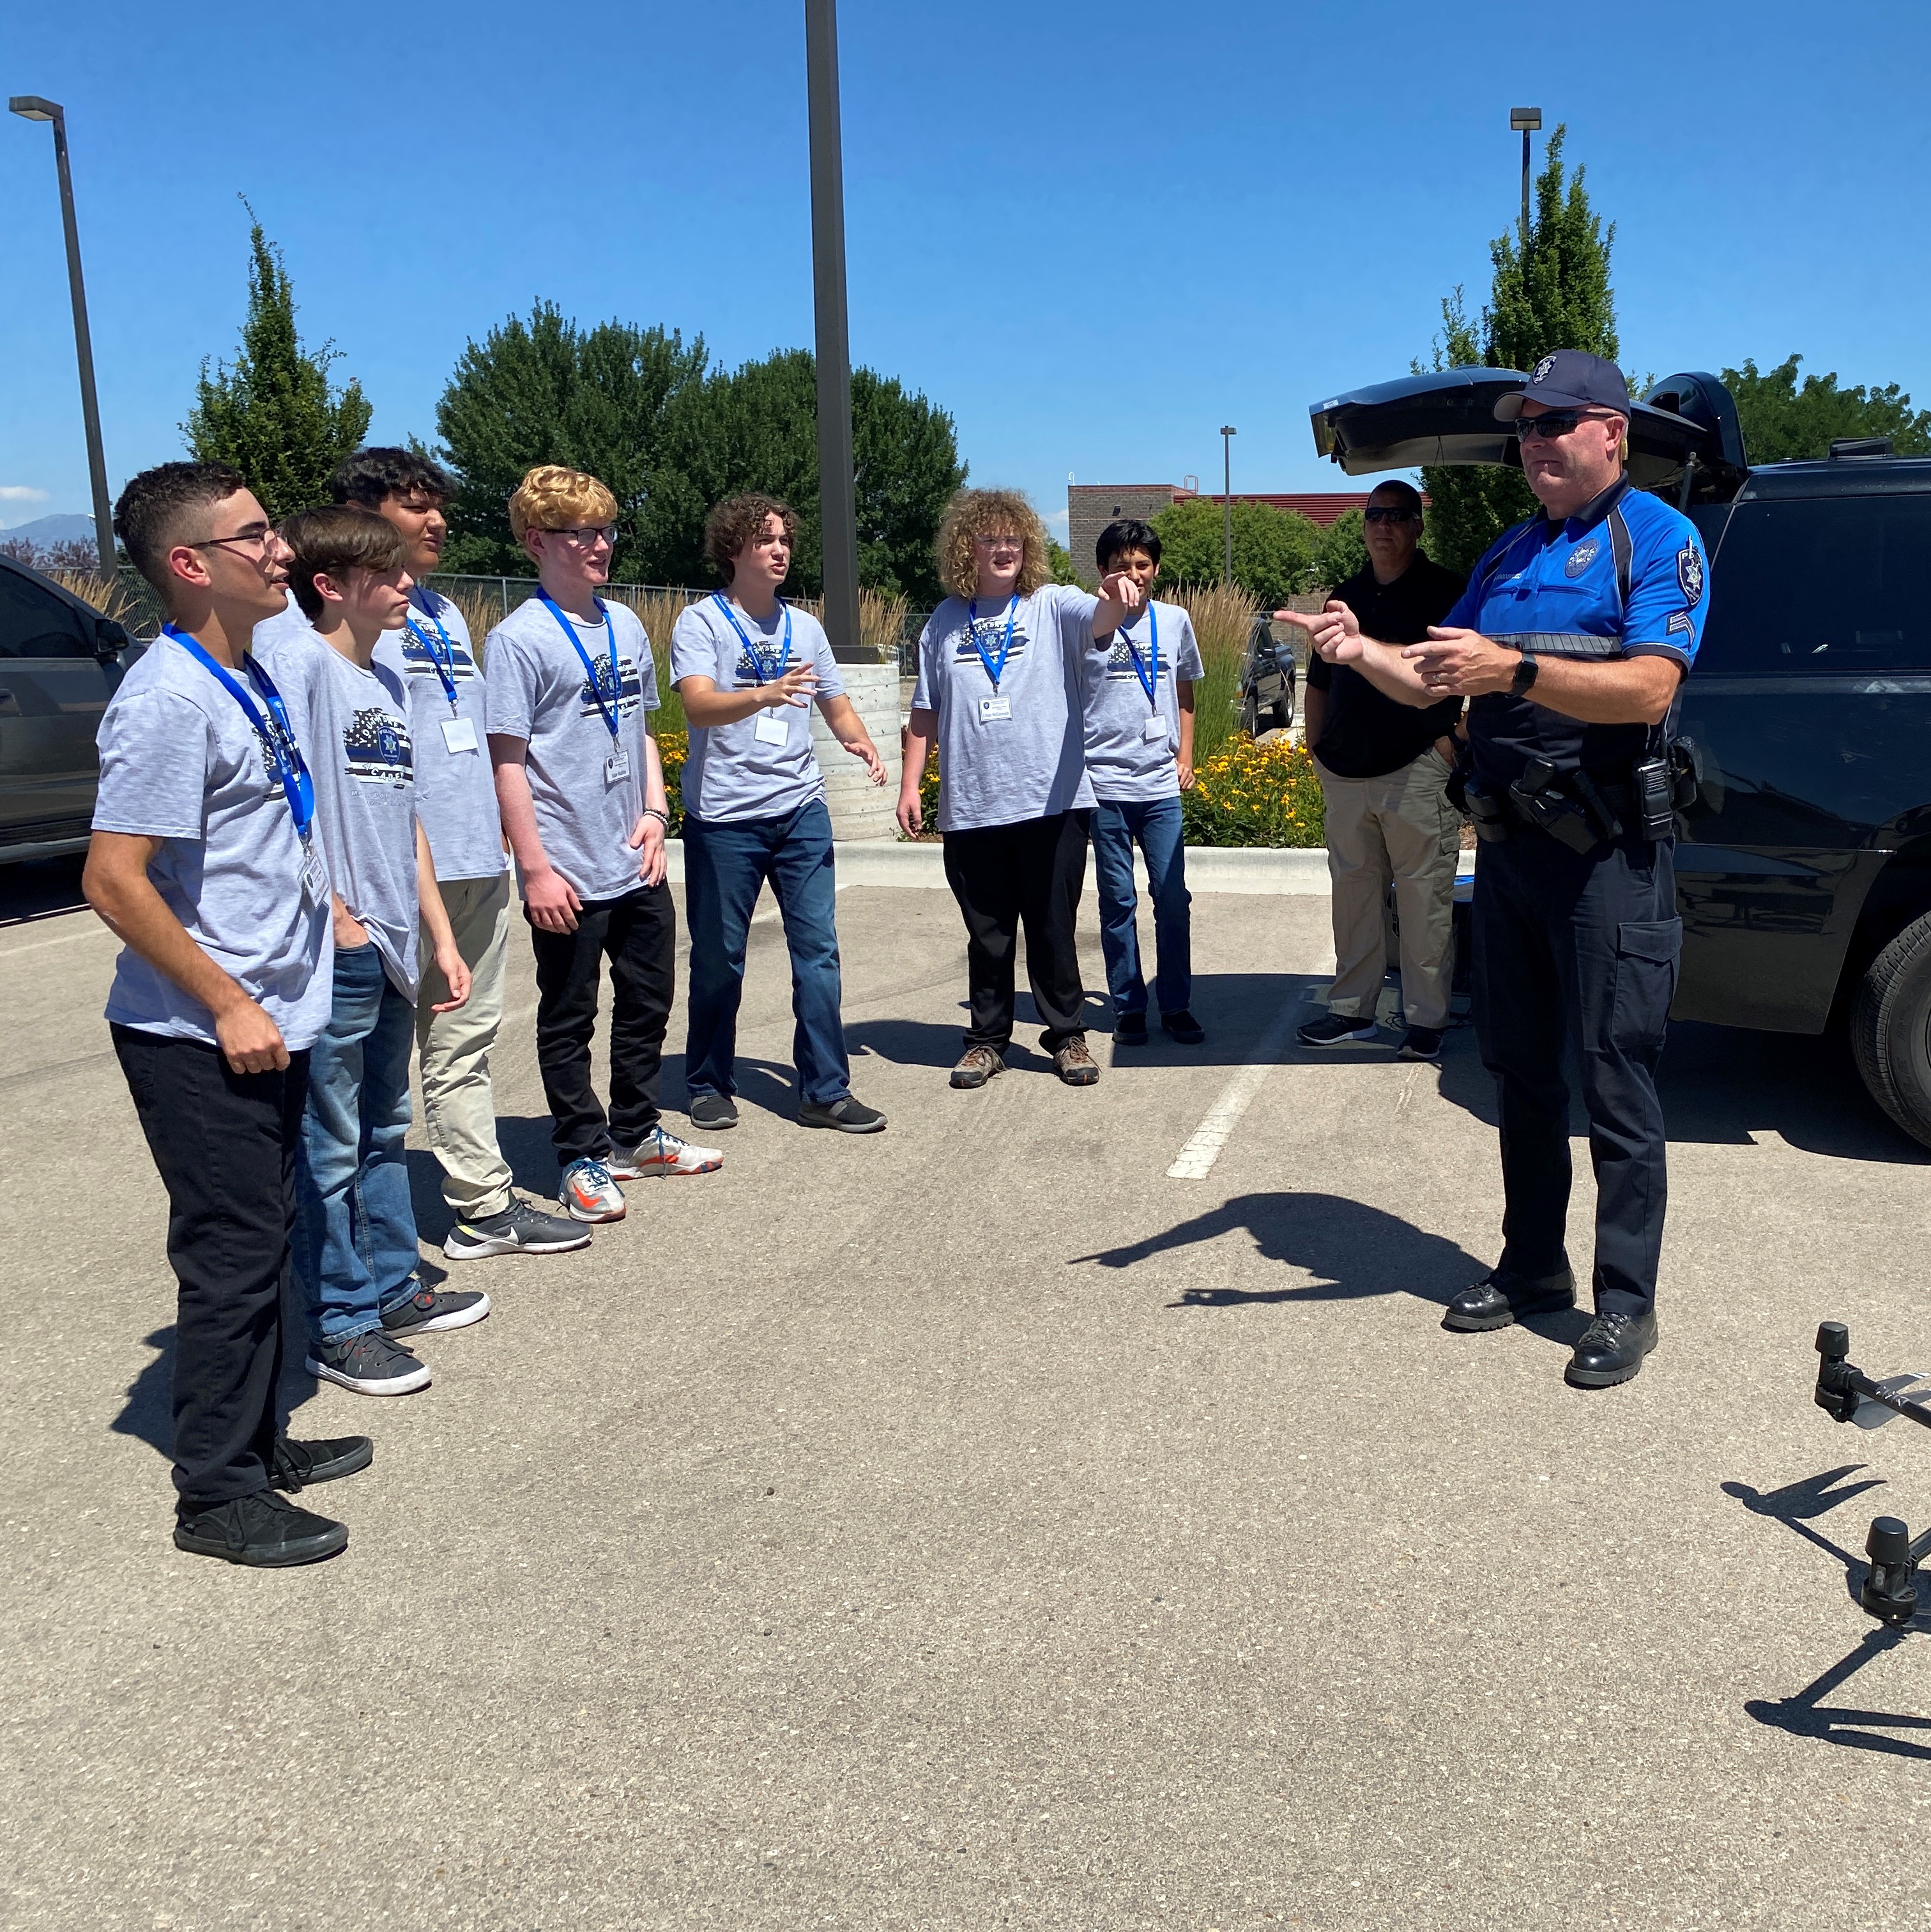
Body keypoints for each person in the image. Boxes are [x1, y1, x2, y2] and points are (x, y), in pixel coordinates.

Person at [1279, 351, 1707, 1388]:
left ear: (1608, 430)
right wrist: (1353, 654)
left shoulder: (1652, 536)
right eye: (1523, 428)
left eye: (1553, 424)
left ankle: (1623, 1300)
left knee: (1612, 1080)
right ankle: (1530, 1266)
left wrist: (1514, 669)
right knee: (1517, 1072)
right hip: (1508, 853)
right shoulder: (1509, 551)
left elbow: (1649, 687)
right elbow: (1435, 679)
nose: (1532, 442)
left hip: (1604, 854)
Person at [84, 461, 363, 1565]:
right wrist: (229, 998)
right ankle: (216, 1494)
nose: (280, 549)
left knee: (274, 1227)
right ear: (191, 565)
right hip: (199, 1033)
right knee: (233, 1251)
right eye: (255, 536)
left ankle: (260, 1440)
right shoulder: (165, 698)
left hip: (273, 1015)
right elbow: (114, 878)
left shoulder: (247, 672)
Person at [329, 448, 588, 1262]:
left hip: (476, 860)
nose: (437, 521)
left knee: (464, 1045)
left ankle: (481, 1208)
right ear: (365, 517)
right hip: (395, 873)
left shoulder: (439, 612)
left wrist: (513, 843)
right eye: (415, 508)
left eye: (438, 506)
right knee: (368, 1078)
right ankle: (355, 1248)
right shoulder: (328, 628)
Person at [260, 507, 480, 1398]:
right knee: (331, 1140)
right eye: (385, 576)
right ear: (331, 586)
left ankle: (394, 1288)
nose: (404, 588)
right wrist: (340, 913)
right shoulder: (301, 663)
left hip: (394, 943)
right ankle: (339, 1321)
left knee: (385, 1129)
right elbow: (285, 801)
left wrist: (436, 932)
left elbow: (408, 817)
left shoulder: (385, 675)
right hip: (340, 946)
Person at [484, 464, 722, 1222]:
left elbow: (643, 732)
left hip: (636, 857)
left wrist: (656, 814)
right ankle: (580, 1154)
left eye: (606, 530)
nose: (599, 545)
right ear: (536, 541)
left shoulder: (622, 623)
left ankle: (636, 1133)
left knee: (648, 1002)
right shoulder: (517, 640)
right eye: (580, 533)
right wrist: (535, 869)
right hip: (567, 869)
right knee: (569, 1014)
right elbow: (507, 761)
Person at [896, 488, 1139, 1088]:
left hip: (1050, 801)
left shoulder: (1051, 604)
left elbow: (1101, 622)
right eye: (989, 539)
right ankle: (986, 1040)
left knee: (1053, 927)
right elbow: (925, 711)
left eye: (1012, 539)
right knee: (988, 933)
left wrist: (1112, 599)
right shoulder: (945, 621)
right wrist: (909, 785)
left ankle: (1067, 1036)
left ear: (1025, 546)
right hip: (973, 803)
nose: (1003, 549)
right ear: (966, 548)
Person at [671, 494, 890, 1133]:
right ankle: (709, 1081)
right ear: (732, 550)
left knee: (817, 954)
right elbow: (698, 706)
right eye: (764, 540)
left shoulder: (806, 628)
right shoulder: (701, 624)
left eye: (783, 540)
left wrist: (858, 738)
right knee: (719, 957)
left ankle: (825, 1089)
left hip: (800, 811)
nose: (779, 550)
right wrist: (764, 693)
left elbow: (834, 702)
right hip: (725, 818)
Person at [1294, 479, 1466, 1064]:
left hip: (1417, 769)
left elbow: (1474, 680)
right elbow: (1319, 682)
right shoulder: (1343, 597)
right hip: (1345, 772)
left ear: (1417, 526)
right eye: (1373, 515)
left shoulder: (1446, 592)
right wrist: (1316, 749)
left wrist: (1450, 744)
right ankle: (1352, 1011)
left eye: (1396, 515)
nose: (1382, 525)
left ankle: (1425, 1020)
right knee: (1354, 896)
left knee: (1424, 901)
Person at [1080, 518, 1206, 1047]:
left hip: (1158, 785)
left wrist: (1187, 756)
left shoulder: (1174, 620)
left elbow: (1184, 694)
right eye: (1121, 564)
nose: (1133, 573)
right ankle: (1129, 1006)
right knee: (1117, 900)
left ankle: (1175, 1004)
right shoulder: (1085, 621)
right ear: (1103, 571)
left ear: (1155, 569)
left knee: (1171, 898)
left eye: (1142, 564)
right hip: (1103, 784)